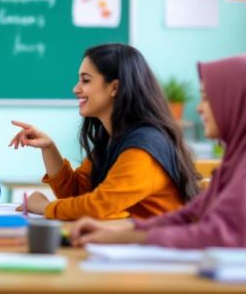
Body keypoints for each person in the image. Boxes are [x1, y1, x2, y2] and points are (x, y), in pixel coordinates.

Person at [71, 54, 246, 254]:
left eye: (208, 98)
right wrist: (124, 230)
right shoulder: (243, 158)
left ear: (241, 102)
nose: (199, 108)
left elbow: (219, 236)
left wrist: (126, 237)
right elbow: (190, 214)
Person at [10, 43, 200, 220]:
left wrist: (45, 207)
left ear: (114, 87)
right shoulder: (112, 139)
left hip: (161, 252)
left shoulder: (143, 148)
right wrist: (49, 148)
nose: (76, 89)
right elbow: (78, 193)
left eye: (85, 80)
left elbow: (97, 206)